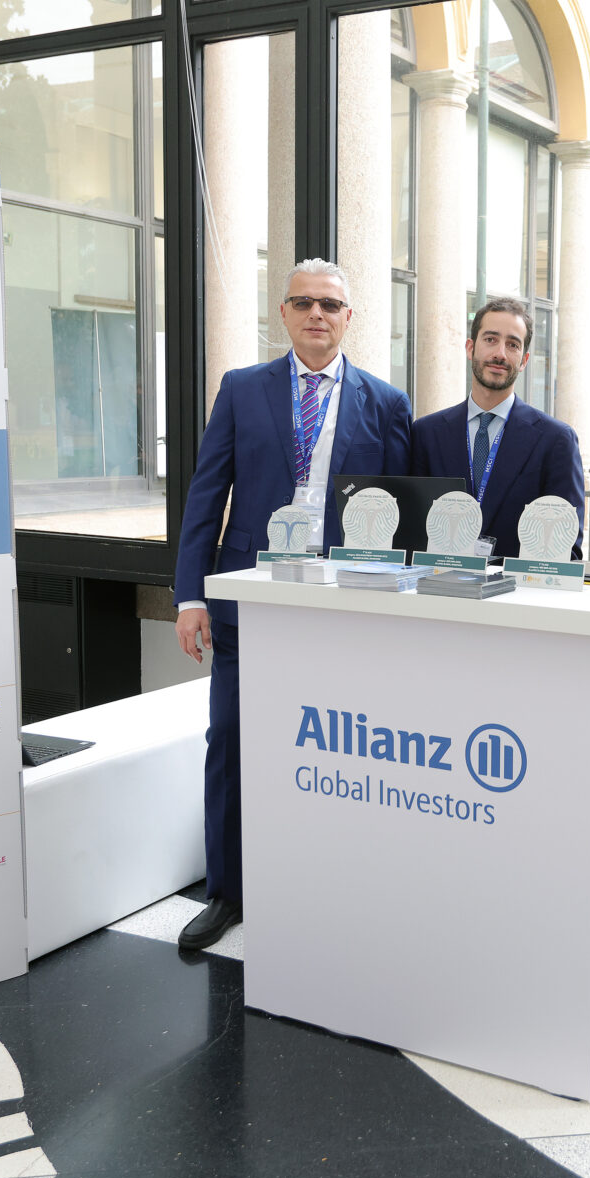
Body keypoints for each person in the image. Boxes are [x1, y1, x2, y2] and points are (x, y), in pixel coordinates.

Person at [170, 259, 413, 950]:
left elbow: (398, 518)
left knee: (337, 749)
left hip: (340, 607)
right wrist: (191, 595)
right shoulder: (241, 389)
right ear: (282, 312)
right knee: (231, 740)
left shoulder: (386, 403)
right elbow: (206, 495)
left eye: (330, 305)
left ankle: (324, 884)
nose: (316, 314)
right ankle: (227, 892)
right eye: (303, 302)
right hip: (248, 599)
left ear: (348, 318)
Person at [410, 297, 584, 558]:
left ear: (524, 361)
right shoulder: (426, 434)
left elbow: (566, 547)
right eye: (490, 339)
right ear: (470, 348)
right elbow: (413, 531)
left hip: (518, 583)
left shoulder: (556, 440)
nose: (500, 354)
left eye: (512, 345)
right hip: (440, 579)